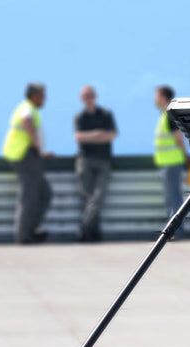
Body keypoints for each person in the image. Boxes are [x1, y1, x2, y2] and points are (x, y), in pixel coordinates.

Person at [1, 82, 52, 244]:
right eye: (42, 95)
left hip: (29, 156)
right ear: (34, 96)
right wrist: (38, 146)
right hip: (25, 155)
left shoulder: (30, 108)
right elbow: (26, 120)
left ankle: (32, 229)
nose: (45, 98)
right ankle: (24, 235)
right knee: (29, 196)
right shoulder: (27, 108)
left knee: (44, 193)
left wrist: (41, 150)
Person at [73, 86, 118, 242]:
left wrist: (90, 136)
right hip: (85, 161)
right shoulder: (80, 117)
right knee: (88, 199)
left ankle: (83, 229)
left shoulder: (106, 114)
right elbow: (79, 137)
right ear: (82, 99)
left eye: (90, 95)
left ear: (95, 96)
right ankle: (93, 233)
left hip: (103, 160)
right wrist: (99, 134)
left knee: (97, 198)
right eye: (85, 96)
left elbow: (112, 135)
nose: (88, 98)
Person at [153, 85, 188, 238]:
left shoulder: (169, 115)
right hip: (167, 163)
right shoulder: (165, 115)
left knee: (174, 198)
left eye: (156, 95)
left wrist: (186, 159)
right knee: (171, 197)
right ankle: (173, 230)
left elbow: (179, 138)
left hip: (172, 163)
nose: (154, 99)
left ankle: (176, 231)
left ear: (163, 97)